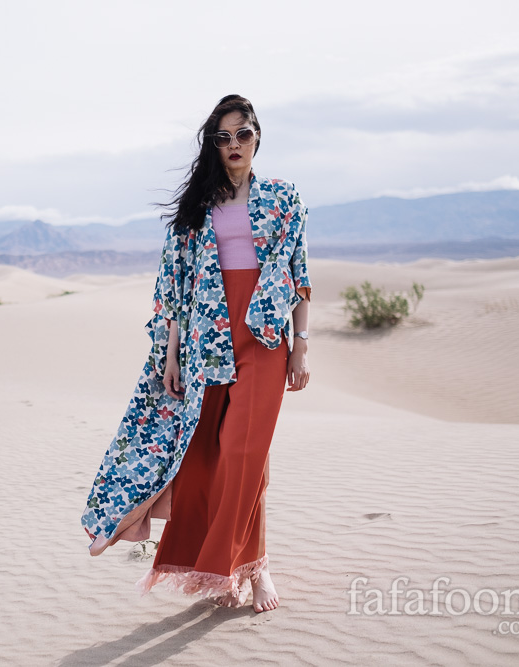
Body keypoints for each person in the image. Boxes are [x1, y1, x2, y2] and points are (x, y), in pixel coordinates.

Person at [80, 94, 312, 612]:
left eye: (243, 134)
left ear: (258, 137)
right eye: (222, 137)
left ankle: (249, 570)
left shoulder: (283, 197)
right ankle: (255, 568)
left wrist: (301, 346)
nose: (234, 145)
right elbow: (174, 290)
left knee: (243, 452)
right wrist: (170, 357)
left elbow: (299, 275)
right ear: (213, 144)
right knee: (210, 455)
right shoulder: (196, 207)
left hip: (266, 338)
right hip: (207, 341)